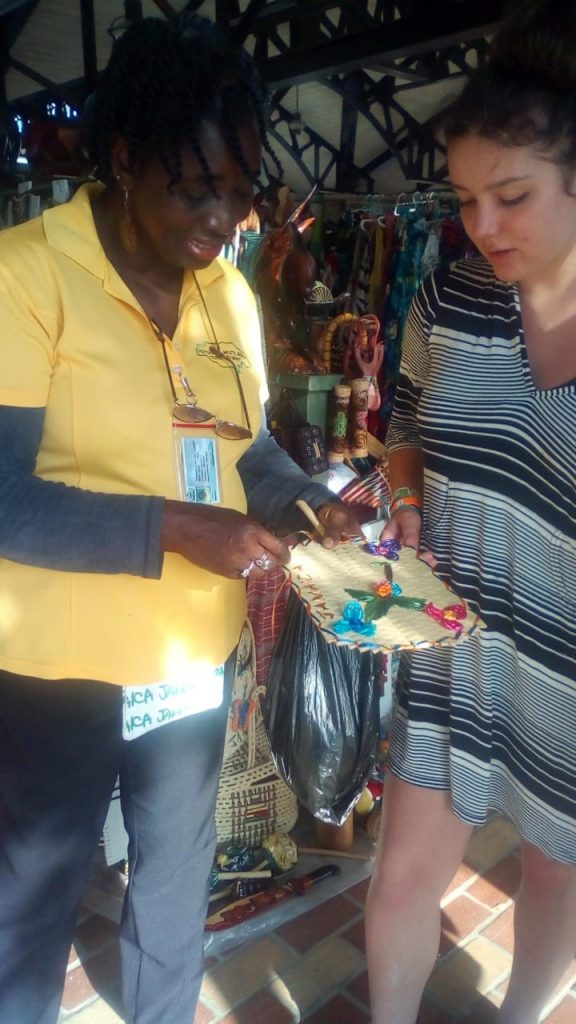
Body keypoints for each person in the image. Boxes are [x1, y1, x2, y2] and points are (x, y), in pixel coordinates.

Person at [0, 11, 361, 1024]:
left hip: (187, 662)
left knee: (173, 880)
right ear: (123, 158)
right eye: (194, 186)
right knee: (33, 892)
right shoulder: (26, 278)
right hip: (56, 663)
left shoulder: (228, 296)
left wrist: (309, 499)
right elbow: (3, 497)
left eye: (239, 190)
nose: (220, 217)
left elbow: (241, 448)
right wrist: (176, 529)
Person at [365, 3, 576, 1022]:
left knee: (554, 873)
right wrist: (405, 499)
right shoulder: (449, 298)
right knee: (404, 872)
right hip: (451, 642)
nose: (482, 224)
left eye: (512, 195)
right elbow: (404, 415)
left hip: (569, 668)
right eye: (465, 198)